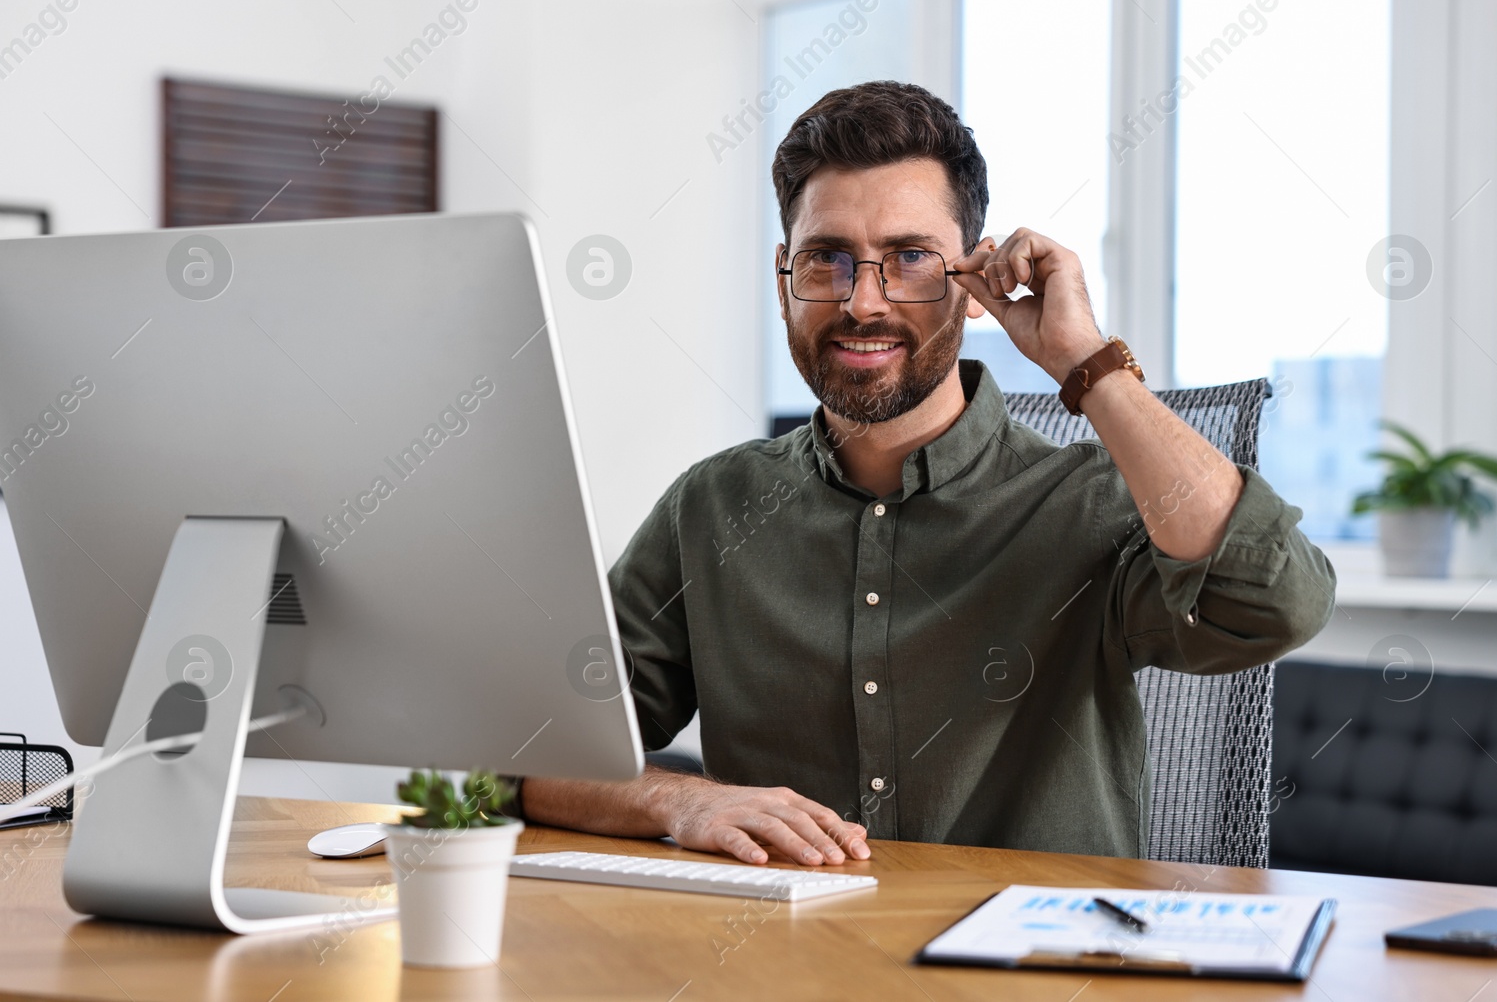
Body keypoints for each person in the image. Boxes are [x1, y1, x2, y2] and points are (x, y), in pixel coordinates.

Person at [520, 80, 1335, 868]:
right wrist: (684, 800)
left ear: (975, 281)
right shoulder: (711, 506)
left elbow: (1278, 602)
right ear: (782, 282)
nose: (864, 302)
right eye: (825, 260)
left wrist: (1088, 363)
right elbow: (530, 750)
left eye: (909, 258)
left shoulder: (1093, 504)